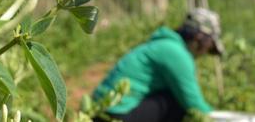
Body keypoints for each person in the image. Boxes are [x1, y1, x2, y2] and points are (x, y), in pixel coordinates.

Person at [92, 8, 224, 122]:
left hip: (99, 110)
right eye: (209, 48)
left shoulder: (165, 45)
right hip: (114, 114)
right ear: (198, 39)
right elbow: (194, 104)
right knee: (176, 102)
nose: (205, 53)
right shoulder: (176, 53)